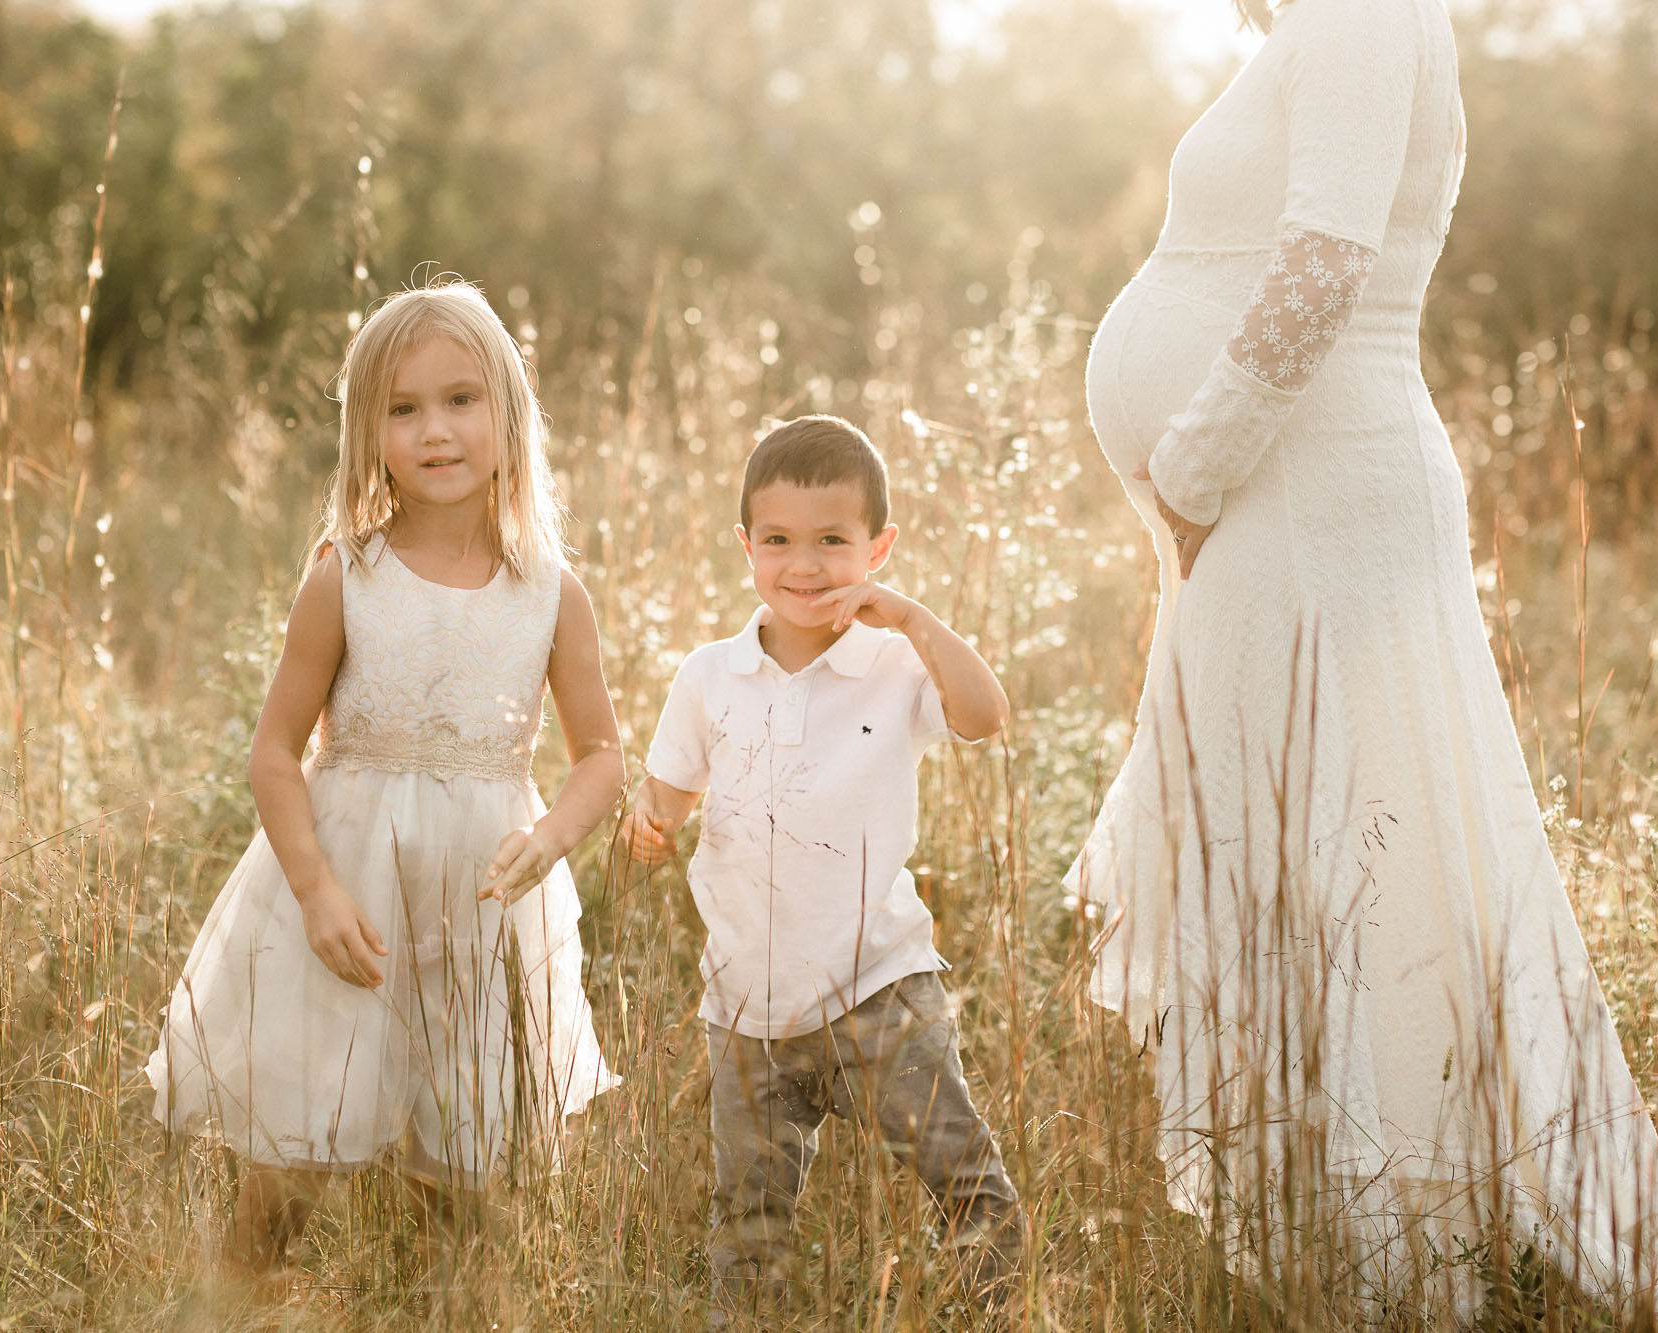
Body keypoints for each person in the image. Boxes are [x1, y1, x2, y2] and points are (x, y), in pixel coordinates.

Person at [1066, 0, 1658, 1326]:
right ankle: (1332, 1222)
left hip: (1302, 493)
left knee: (1355, 854)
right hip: (1282, 492)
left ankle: (1396, 1248)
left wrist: (1196, 470)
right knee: (1299, 854)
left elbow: (1327, 262)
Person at [146, 280, 622, 1270]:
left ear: (508, 412)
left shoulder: (548, 591)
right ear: (367, 431)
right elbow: (276, 751)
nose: (434, 431)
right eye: (401, 409)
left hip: (481, 900)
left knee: (461, 1169)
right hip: (348, 893)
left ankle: (427, 1297)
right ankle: (240, 1301)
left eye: (460, 400)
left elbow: (602, 757)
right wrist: (316, 892)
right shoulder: (347, 574)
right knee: (301, 1146)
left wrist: (548, 836)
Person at [621, 416, 1023, 1309]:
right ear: (746, 547)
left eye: (832, 542)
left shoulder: (893, 663)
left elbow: (986, 715)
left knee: (964, 1179)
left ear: (877, 548)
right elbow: (663, 801)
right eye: (779, 541)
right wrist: (646, 831)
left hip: (877, 985)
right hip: (747, 1003)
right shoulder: (709, 677)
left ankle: (994, 1308)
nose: (804, 566)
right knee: (748, 1220)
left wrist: (915, 619)